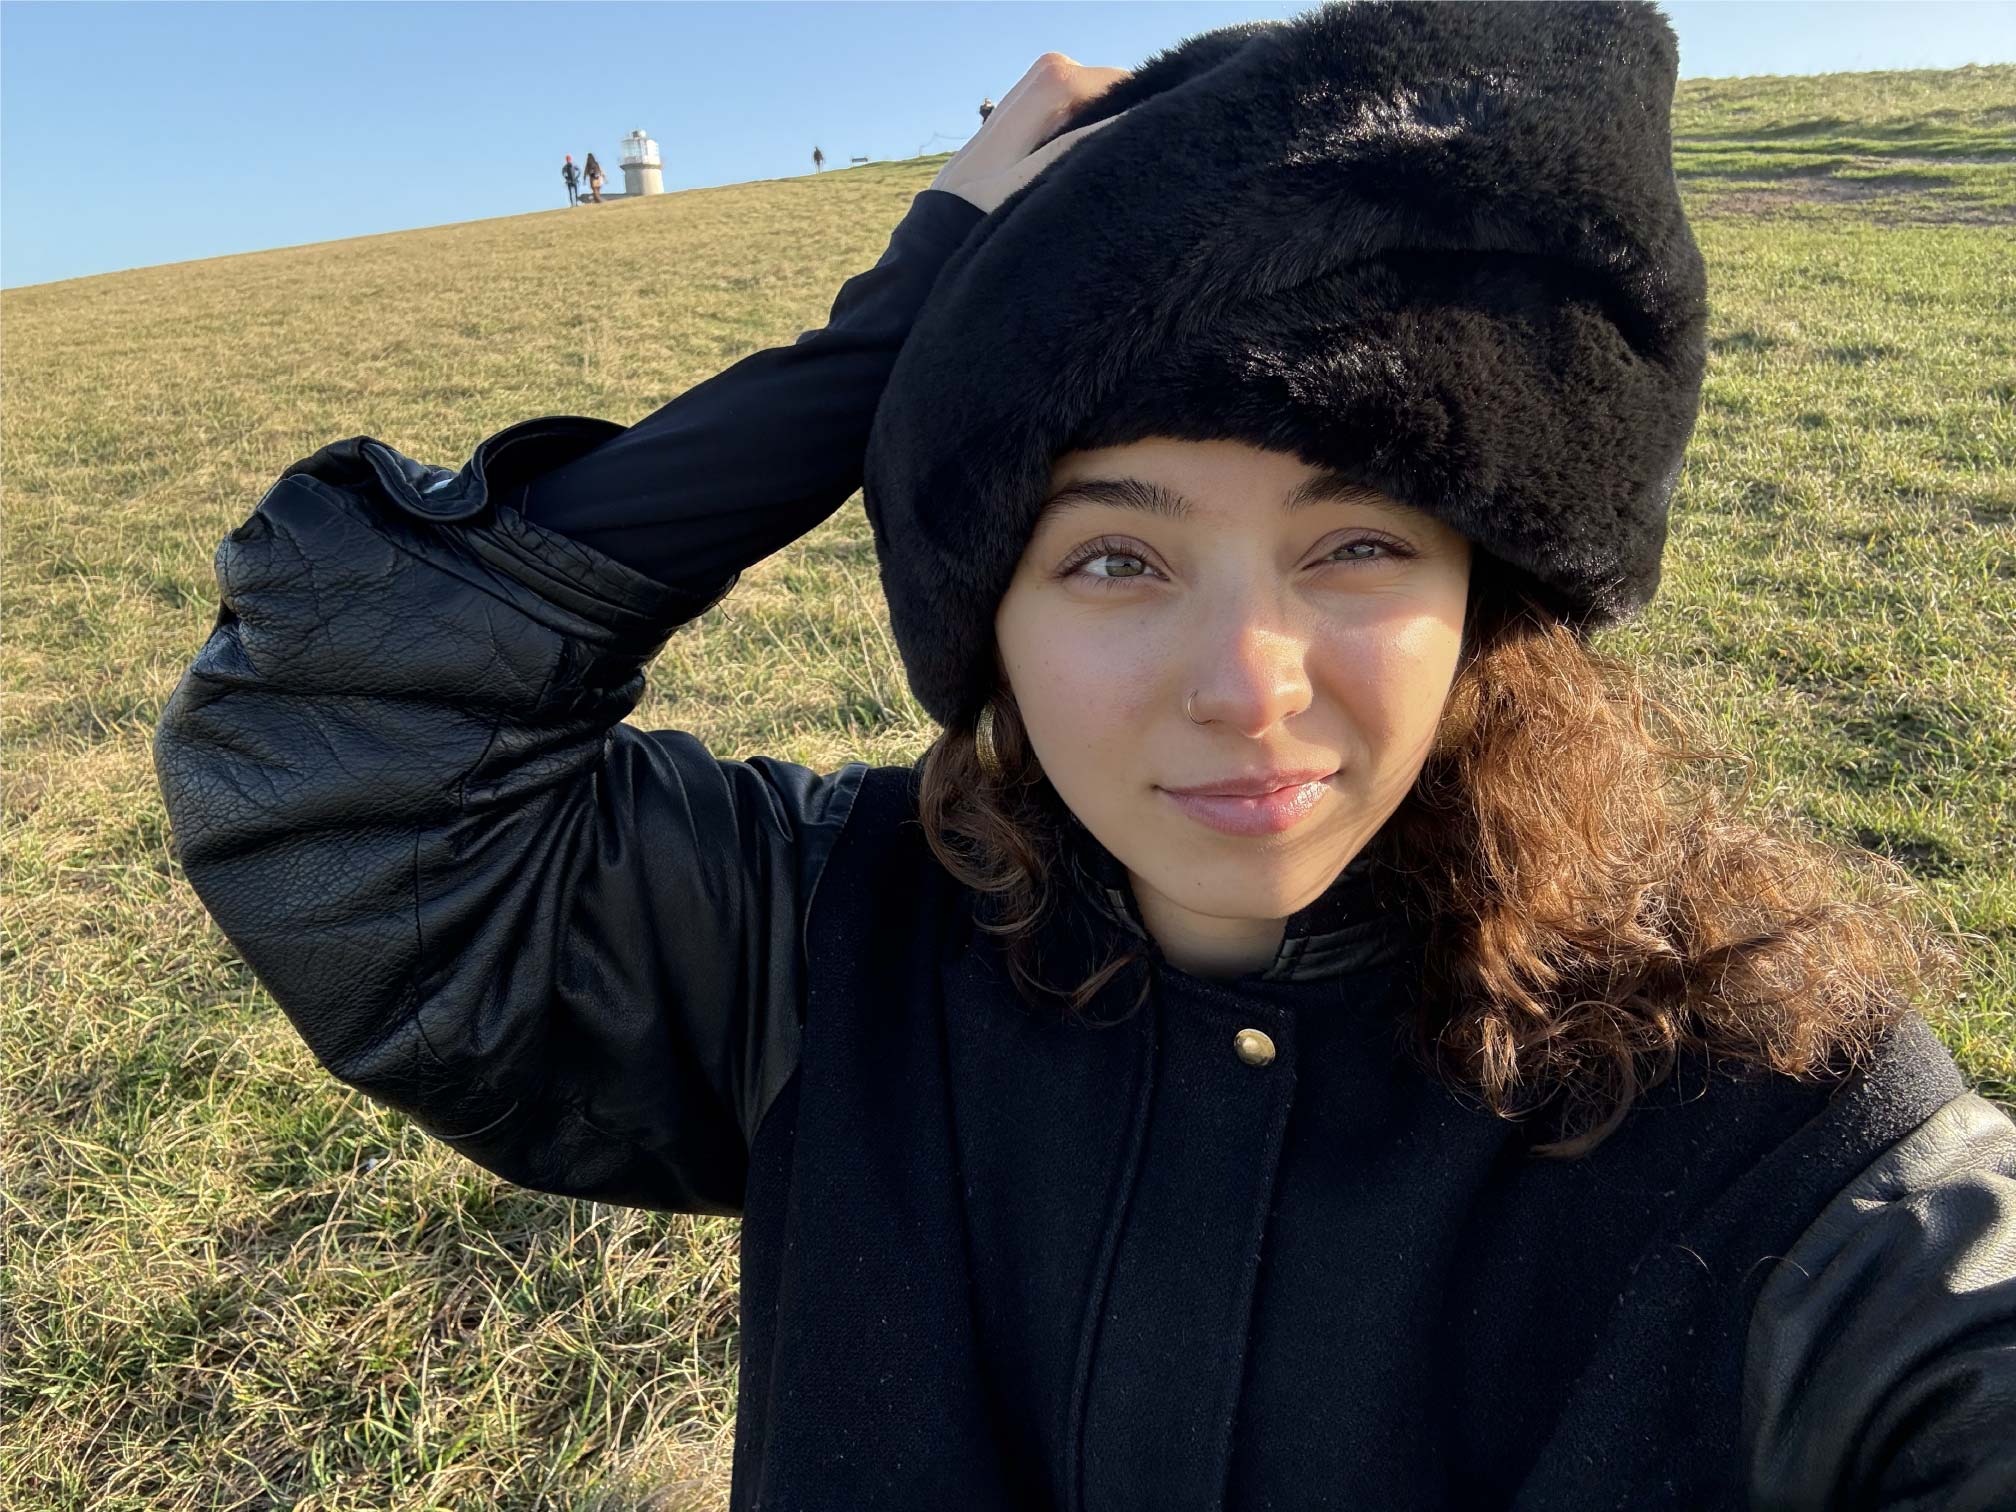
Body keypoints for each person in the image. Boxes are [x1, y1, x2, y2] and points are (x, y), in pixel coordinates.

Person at [153, 8, 2015, 1509]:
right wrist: (888, 353)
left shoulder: (1779, 1120)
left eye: (1358, 545)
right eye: (1113, 555)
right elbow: (341, 767)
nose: (1246, 683)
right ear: (990, 625)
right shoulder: (822, 947)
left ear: (1485, 598)